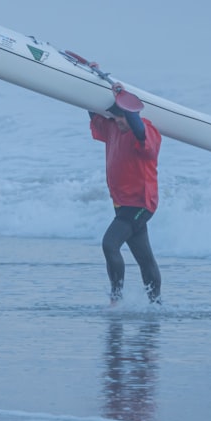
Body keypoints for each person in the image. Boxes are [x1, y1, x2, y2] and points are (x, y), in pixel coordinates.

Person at [89, 82, 163, 304]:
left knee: (109, 244)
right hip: (121, 205)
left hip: (141, 204)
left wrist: (126, 103)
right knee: (145, 258)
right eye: (116, 116)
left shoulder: (146, 132)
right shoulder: (113, 128)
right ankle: (156, 305)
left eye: (123, 117)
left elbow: (137, 127)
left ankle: (116, 299)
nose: (119, 121)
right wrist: (85, 80)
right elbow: (92, 111)